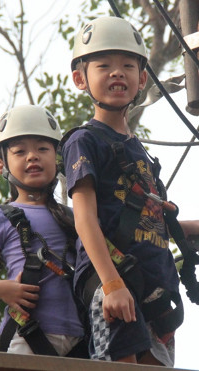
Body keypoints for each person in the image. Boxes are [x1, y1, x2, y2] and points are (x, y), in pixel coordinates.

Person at [61, 16, 199, 366]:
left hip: (154, 286)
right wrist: (111, 284)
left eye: (127, 66)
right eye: (103, 65)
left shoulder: (139, 152)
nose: (117, 73)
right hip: (116, 279)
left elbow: (150, 223)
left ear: (141, 81)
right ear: (80, 79)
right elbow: (85, 220)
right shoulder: (85, 140)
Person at [0, 105, 86, 357]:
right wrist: (0, 289)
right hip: (27, 336)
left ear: (57, 160)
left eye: (42, 149)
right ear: (2, 165)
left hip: (81, 337)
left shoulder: (76, 217)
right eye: (20, 151)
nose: (32, 156)